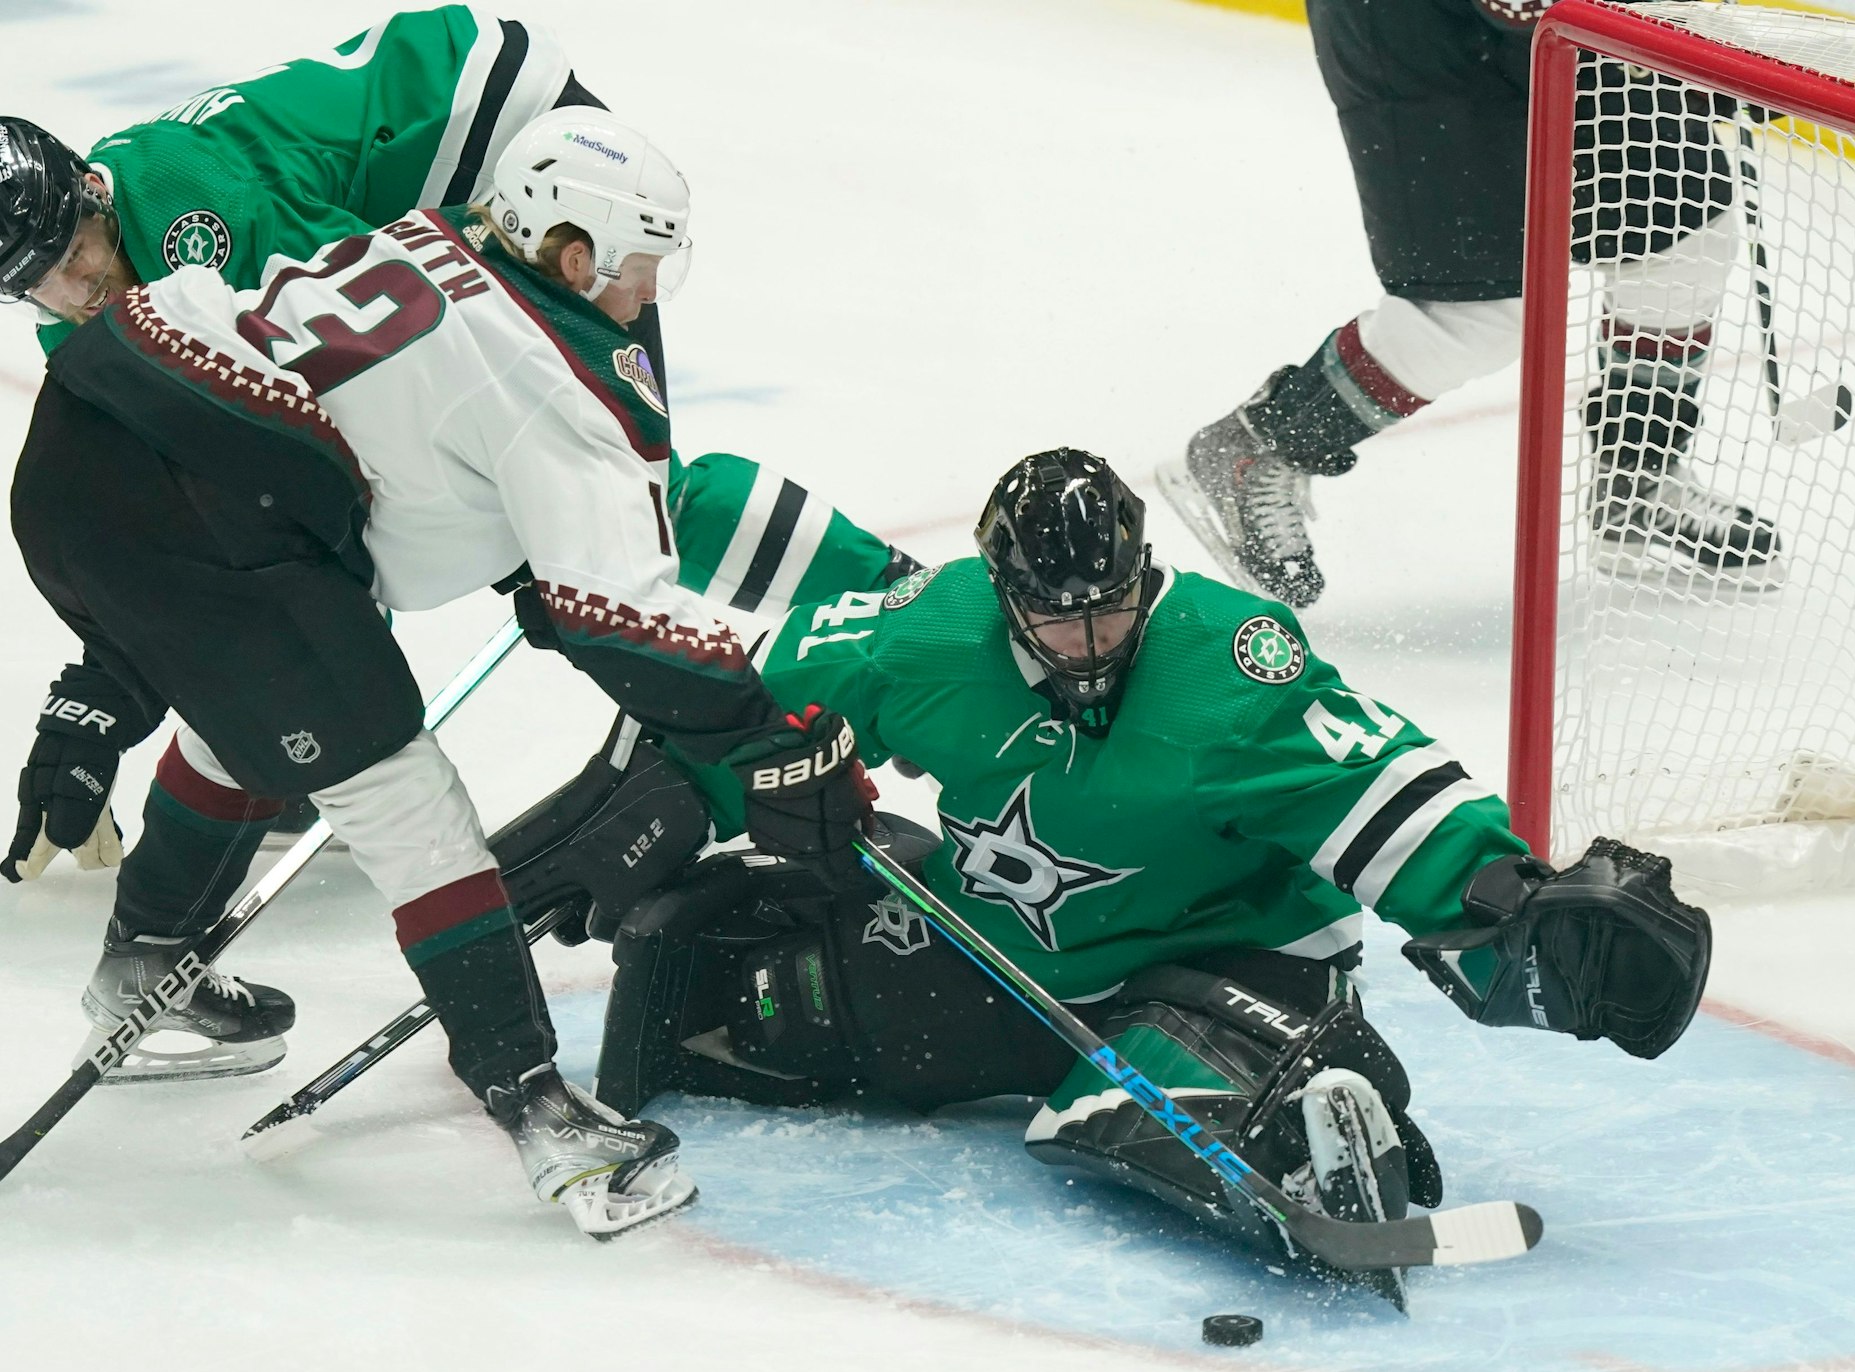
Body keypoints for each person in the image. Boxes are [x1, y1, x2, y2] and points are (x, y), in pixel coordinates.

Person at [8, 107, 874, 1238]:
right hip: (197, 517)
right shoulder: (555, 390)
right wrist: (760, 739)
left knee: (251, 715)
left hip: (88, 442)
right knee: (403, 800)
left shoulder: (436, 236)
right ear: (574, 255)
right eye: (641, 269)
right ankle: (544, 1118)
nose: (650, 297)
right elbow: (615, 618)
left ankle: (143, 967)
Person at [593, 448, 1712, 1294]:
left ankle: (1315, 1116)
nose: (1086, 640)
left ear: (1142, 572)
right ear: (998, 590)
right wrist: (674, 797)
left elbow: (1375, 784)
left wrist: (1502, 898)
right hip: (1013, 949)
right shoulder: (926, 635)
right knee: (766, 1017)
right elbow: (759, 706)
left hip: (1229, 950)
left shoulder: (1230, 669)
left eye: (1109, 607)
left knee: (1171, 1088)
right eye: (1052, 615)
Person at [0, 7, 912, 882]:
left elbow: (375, 367)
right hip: (433, 142)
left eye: (76, 254)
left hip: (509, 139)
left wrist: (537, 556)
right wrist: (104, 692)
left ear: (90, 190)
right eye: (38, 286)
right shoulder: (90, 297)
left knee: (608, 471)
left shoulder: (202, 219)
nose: (76, 291)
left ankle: (899, 594)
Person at [1155, 0, 1781, 608]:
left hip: (1569, 21)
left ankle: (1638, 481)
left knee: (1680, 239)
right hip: (1418, 32)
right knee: (1476, 313)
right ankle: (1256, 449)